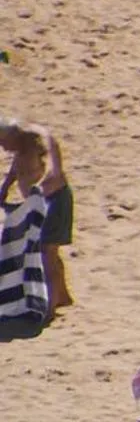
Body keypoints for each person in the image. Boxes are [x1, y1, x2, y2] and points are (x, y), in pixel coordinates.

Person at [0, 118, 72, 312]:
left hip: (53, 200)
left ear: (13, 135)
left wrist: (41, 185)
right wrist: (6, 186)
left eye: (3, 143)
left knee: (47, 253)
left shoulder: (37, 137)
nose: (4, 148)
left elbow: (51, 163)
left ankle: (49, 309)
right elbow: (18, 164)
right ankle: (62, 297)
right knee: (47, 250)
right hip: (39, 201)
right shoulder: (20, 145)